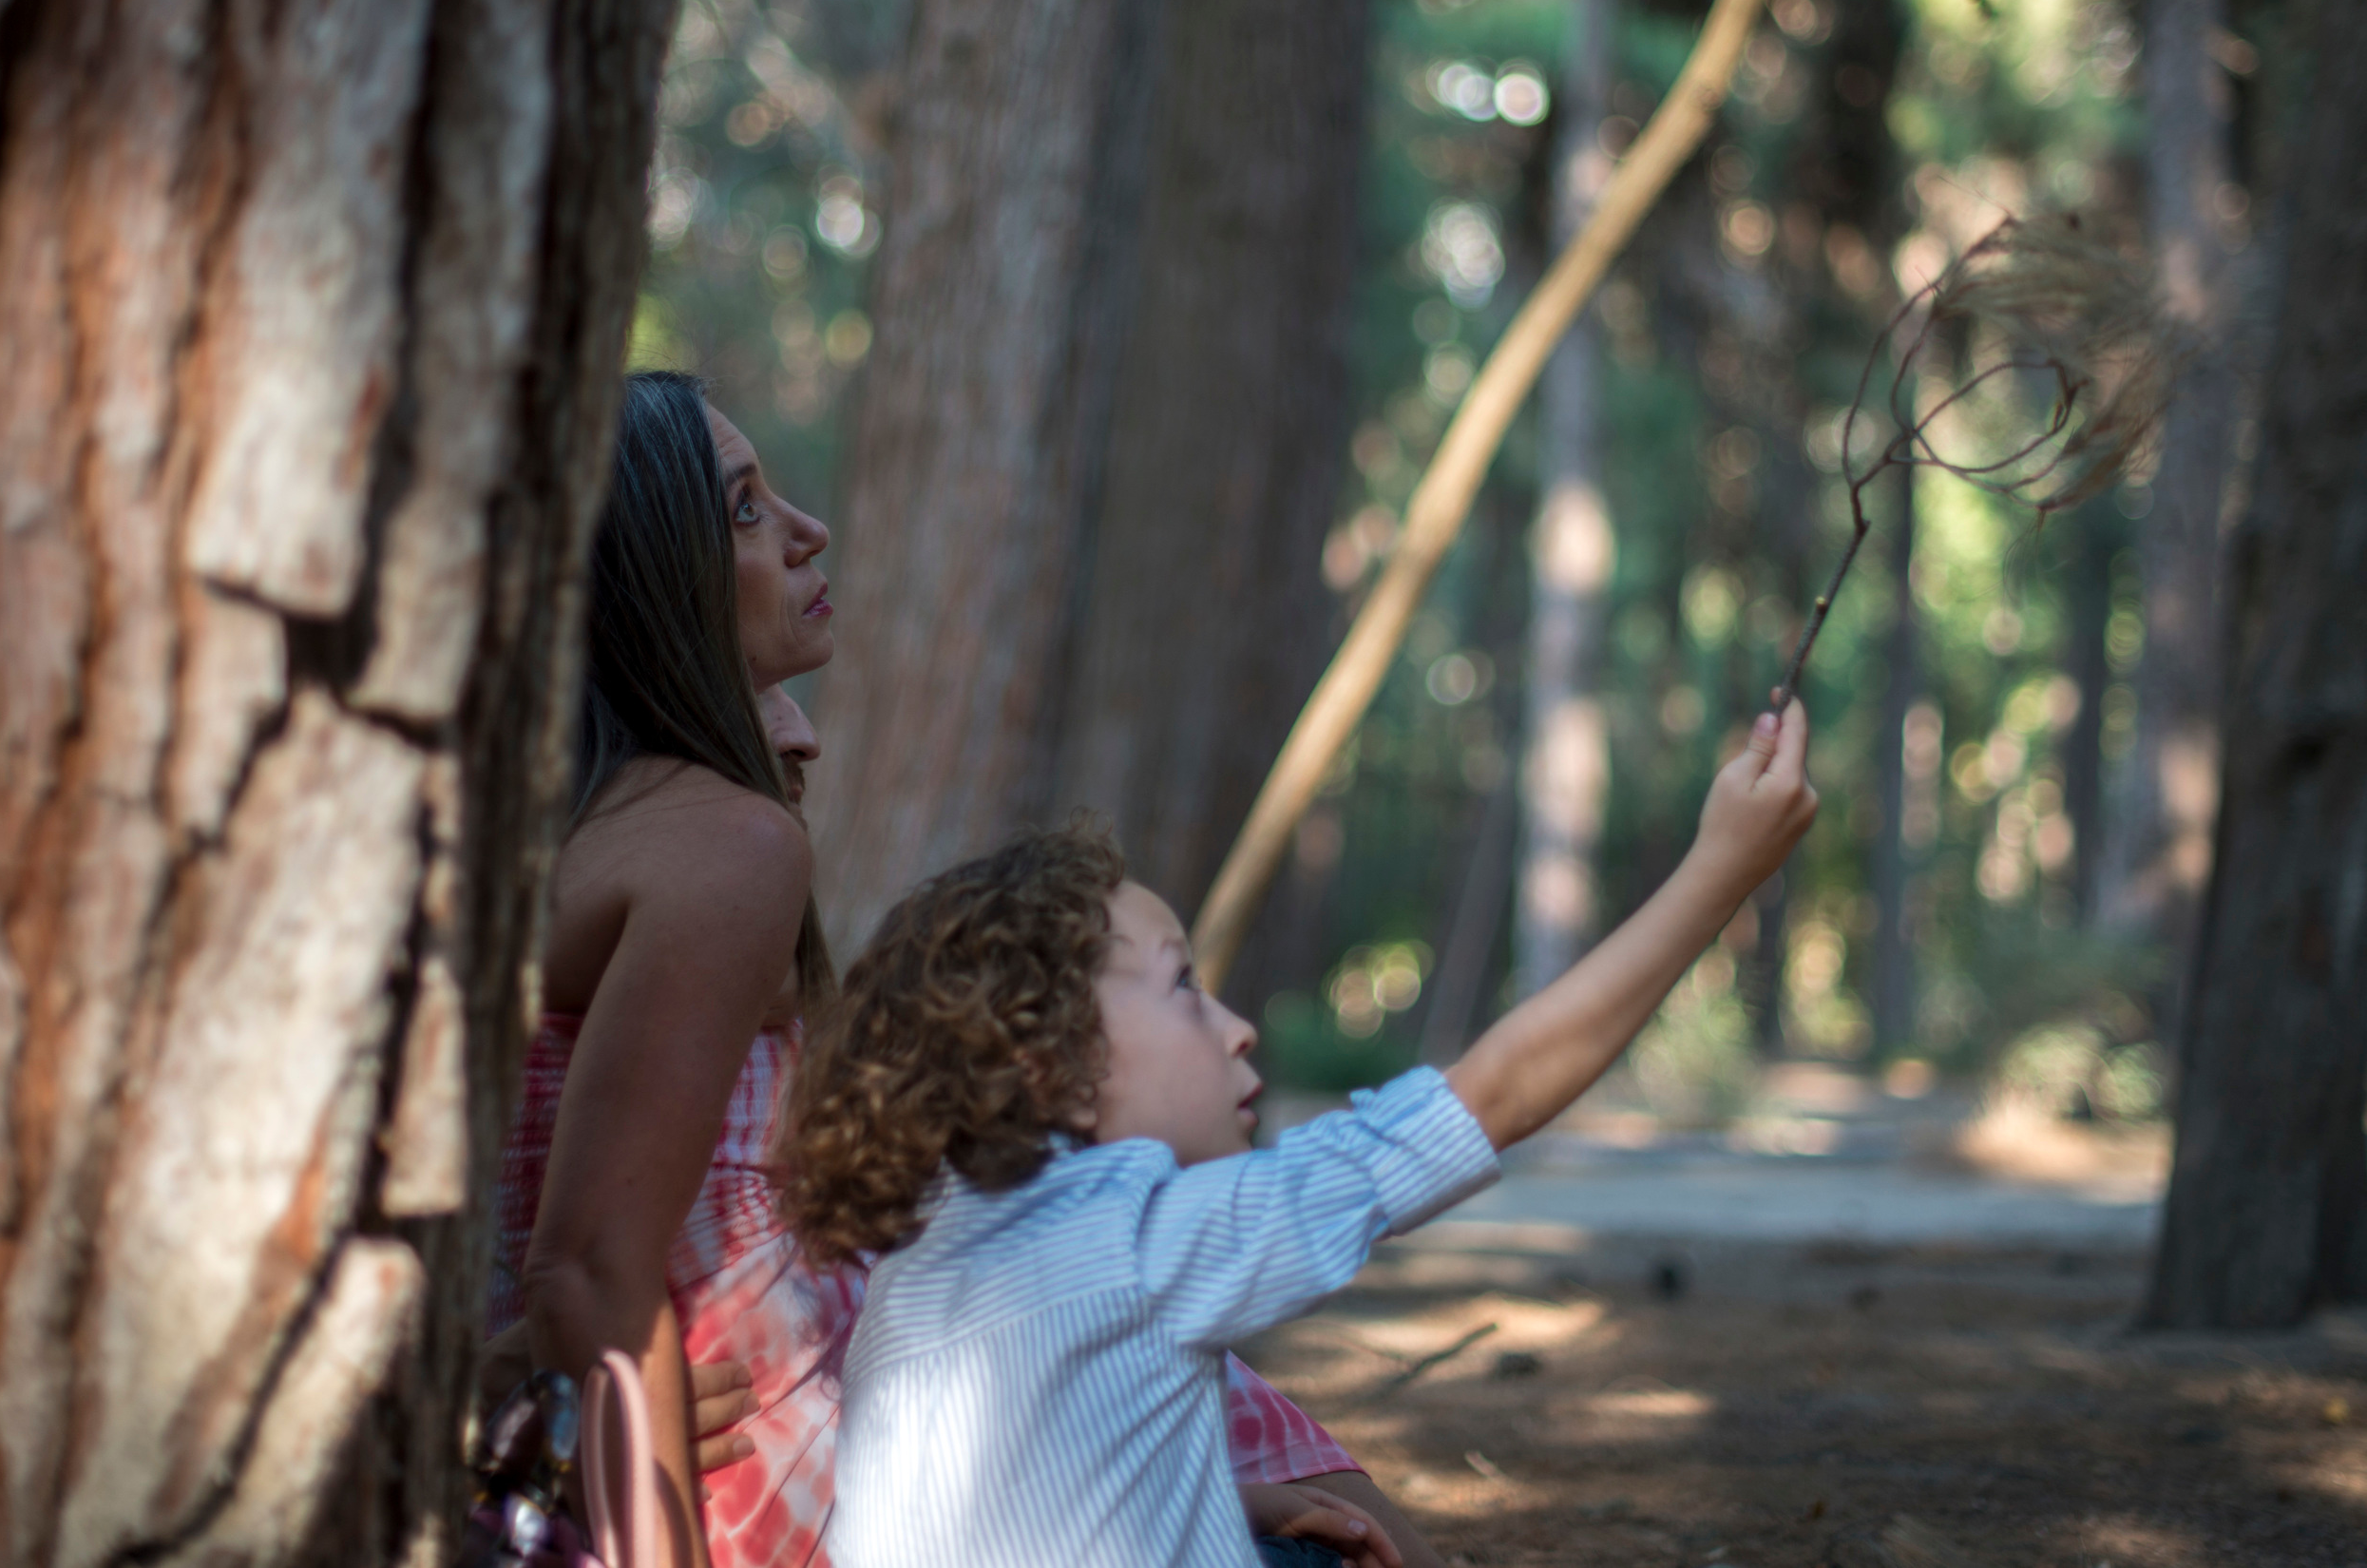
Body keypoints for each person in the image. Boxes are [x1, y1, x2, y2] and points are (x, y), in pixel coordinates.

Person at [489, 372, 1439, 1568]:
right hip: (801, 1457)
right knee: (1362, 1542)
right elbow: (584, 1267)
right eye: (742, 510)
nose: (806, 531)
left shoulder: (583, 828)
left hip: (862, 1392)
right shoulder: (722, 847)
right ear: (644, 578)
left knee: (1319, 1499)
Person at [778, 704, 1820, 1568]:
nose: (1234, 1029)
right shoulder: (1140, 1237)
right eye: (1184, 987)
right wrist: (1718, 875)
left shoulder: (918, 1271)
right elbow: (1495, 1091)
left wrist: (1237, 1501)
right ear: (1045, 1062)